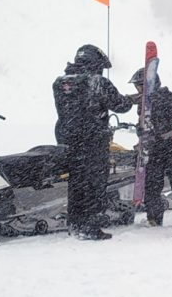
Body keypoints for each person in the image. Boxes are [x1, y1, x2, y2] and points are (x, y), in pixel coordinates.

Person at [52, 44, 135, 240]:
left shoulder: (59, 83)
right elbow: (120, 106)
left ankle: (75, 222)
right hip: (93, 139)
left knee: (76, 182)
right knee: (95, 183)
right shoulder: (97, 82)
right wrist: (131, 100)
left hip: (68, 140)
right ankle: (90, 225)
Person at [130, 68, 172, 227]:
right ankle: (154, 218)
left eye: (140, 86)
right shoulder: (143, 102)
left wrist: (157, 130)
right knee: (152, 184)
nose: (138, 91)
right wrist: (142, 131)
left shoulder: (169, 98)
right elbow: (145, 122)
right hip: (154, 150)